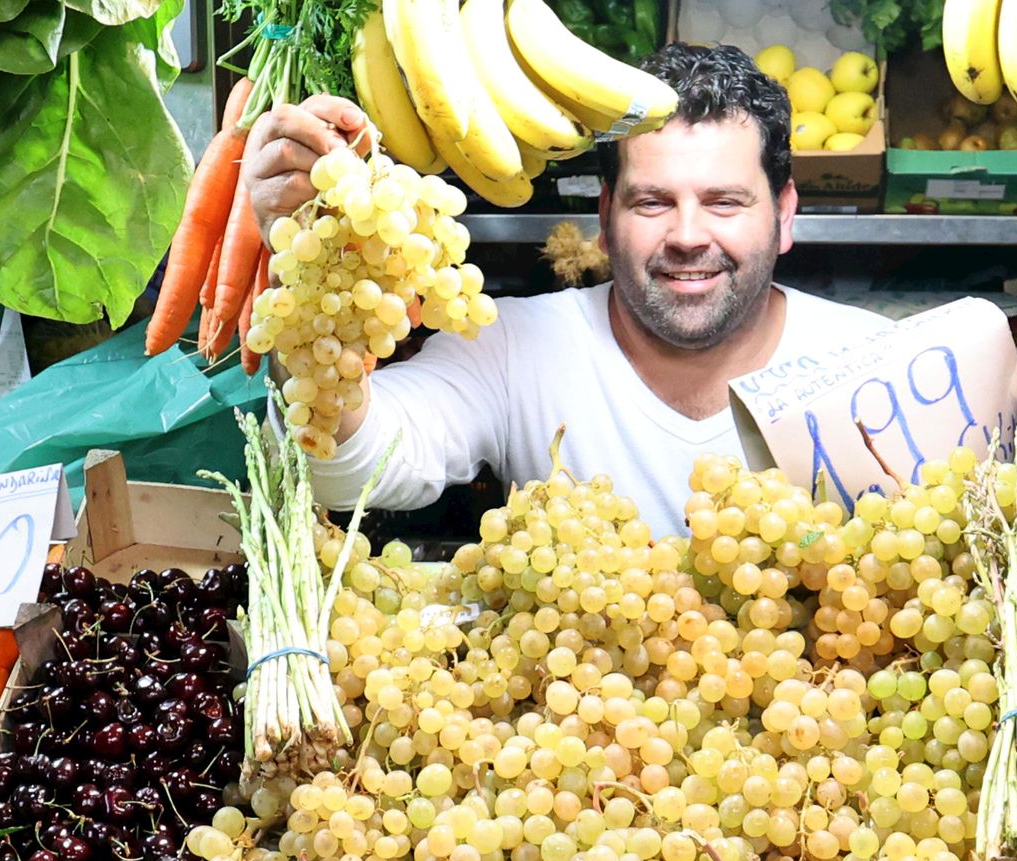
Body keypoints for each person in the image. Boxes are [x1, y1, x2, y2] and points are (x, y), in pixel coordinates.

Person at [243, 43, 890, 535]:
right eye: (653, 202)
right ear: (605, 217)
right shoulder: (512, 347)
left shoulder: (879, 364)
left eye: (724, 203)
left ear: (785, 216)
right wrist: (311, 283)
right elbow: (349, 469)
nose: (688, 235)